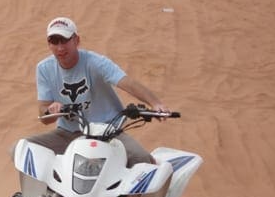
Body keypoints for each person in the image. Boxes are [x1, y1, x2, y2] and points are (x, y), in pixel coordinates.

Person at [27, 17, 170, 167]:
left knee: (142, 160)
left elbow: (128, 83)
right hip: (69, 133)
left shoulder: (96, 62)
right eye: (54, 41)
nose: (60, 48)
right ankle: (45, 190)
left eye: (65, 40)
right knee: (23, 150)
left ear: (76, 40)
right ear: (49, 44)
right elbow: (44, 117)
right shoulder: (44, 68)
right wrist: (51, 110)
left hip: (107, 132)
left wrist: (156, 103)